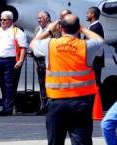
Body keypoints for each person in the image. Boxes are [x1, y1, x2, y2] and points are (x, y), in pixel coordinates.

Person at [30, 14, 104, 145]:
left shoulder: (50, 45)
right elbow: (100, 40)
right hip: (81, 103)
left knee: (55, 141)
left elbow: (33, 43)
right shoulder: (86, 46)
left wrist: (49, 30)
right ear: (78, 28)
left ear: (60, 28)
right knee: (82, 141)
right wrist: (84, 29)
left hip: (56, 102)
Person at [0, 10, 27, 116]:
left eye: (4, 20)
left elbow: (23, 48)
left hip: (11, 60)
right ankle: (5, 106)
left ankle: (8, 108)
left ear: (10, 20)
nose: (2, 21)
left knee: (9, 84)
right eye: (1, 19)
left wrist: (20, 60)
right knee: (2, 83)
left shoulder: (17, 32)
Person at [32, 11, 52, 115]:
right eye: (38, 18)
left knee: (49, 83)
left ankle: (50, 106)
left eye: (41, 18)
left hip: (49, 61)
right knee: (41, 84)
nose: (39, 20)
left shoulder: (53, 29)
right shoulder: (37, 29)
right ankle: (43, 106)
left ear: (47, 18)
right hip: (38, 60)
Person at [86, 7, 105, 86]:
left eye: (88, 13)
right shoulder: (93, 27)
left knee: (95, 82)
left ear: (93, 14)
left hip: (95, 61)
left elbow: (91, 45)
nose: (86, 15)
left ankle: (97, 98)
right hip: (94, 60)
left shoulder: (96, 28)